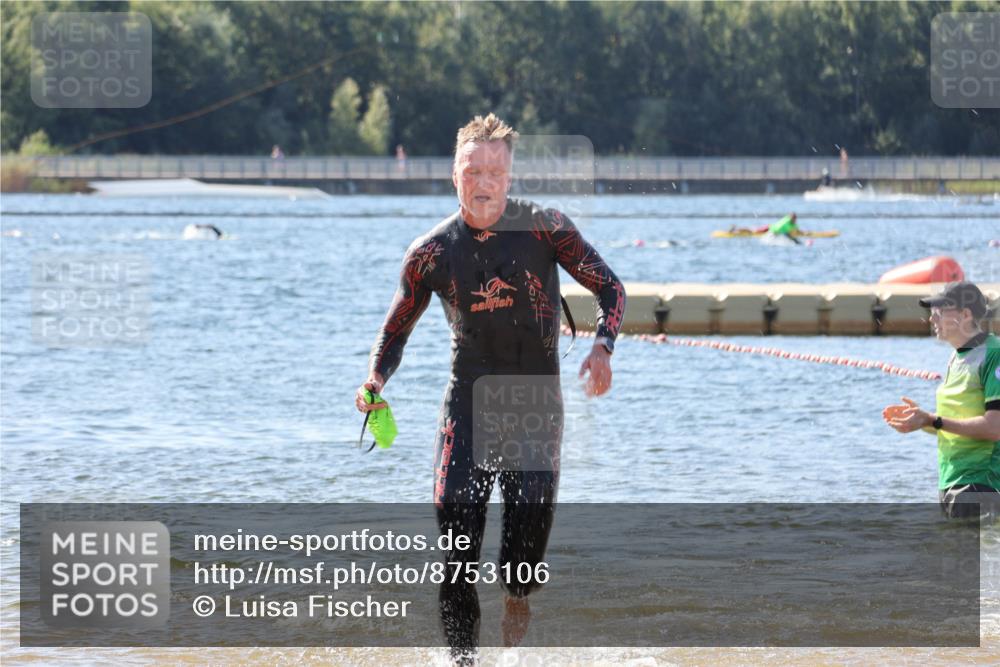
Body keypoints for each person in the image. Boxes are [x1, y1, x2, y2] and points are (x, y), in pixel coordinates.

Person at [356, 113, 626, 663]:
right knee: (456, 558)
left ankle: (516, 599)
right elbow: (394, 331)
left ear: (509, 177)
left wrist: (603, 347)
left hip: (534, 409)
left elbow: (610, 287)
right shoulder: (430, 253)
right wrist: (374, 380)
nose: (483, 183)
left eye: (494, 173)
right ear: (454, 174)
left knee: (520, 560)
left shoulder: (546, 227)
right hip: (468, 408)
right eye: (472, 170)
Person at [883, 281, 1000, 520]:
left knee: (968, 556)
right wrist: (920, 420)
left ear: (965, 314)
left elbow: (994, 427)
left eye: (939, 312)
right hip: (953, 480)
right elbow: (954, 425)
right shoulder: (956, 358)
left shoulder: (994, 355)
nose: (931, 319)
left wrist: (934, 420)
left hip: (981, 483)